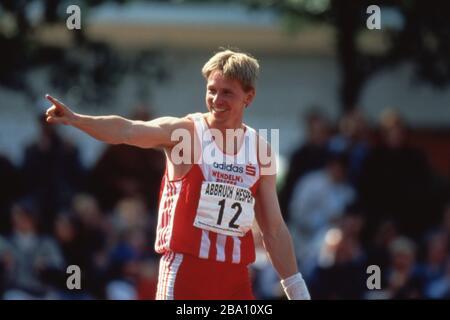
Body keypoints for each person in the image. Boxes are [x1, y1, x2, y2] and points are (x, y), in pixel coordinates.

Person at [44, 48, 310, 300]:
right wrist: (77, 119)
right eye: (212, 91)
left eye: (227, 93)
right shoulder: (186, 133)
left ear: (248, 96)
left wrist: (297, 290)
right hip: (186, 272)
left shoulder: (259, 148)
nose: (216, 100)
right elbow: (127, 130)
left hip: (235, 278)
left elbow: (274, 229)